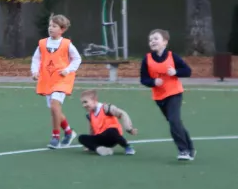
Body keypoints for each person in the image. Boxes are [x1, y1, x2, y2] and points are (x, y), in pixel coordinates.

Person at [140, 29, 195, 161]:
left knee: (174, 121)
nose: (152, 41)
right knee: (175, 122)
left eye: (156, 38)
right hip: (159, 97)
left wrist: (175, 72)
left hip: (174, 93)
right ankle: (191, 148)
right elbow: (143, 79)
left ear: (165, 42)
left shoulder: (172, 56)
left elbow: (187, 71)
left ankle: (183, 151)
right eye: (150, 39)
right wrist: (153, 81)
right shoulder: (147, 59)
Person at [31, 14, 81, 149]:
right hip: (48, 79)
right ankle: (69, 132)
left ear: (62, 29)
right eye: (50, 26)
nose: (50, 28)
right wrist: (35, 71)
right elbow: (36, 58)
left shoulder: (67, 44)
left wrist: (68, 69)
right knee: (55, 109)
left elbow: (77, 59)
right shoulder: (42, 43)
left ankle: (55, 137)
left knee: (54, 105)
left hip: (62, 80)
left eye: (54, 26)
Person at [77, 89, 137, 156]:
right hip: (101, 138)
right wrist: (89, 143)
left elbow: (122, 113)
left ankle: (127, 146)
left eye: (85, 102)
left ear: (94, 100)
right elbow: (92, 130)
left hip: (112, 137)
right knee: (81, 138)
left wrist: (129, 128)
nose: (84, 105)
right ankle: (100, 149)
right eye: (82, 103)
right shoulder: (90, 114)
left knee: (111, 130)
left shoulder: (106, 108)